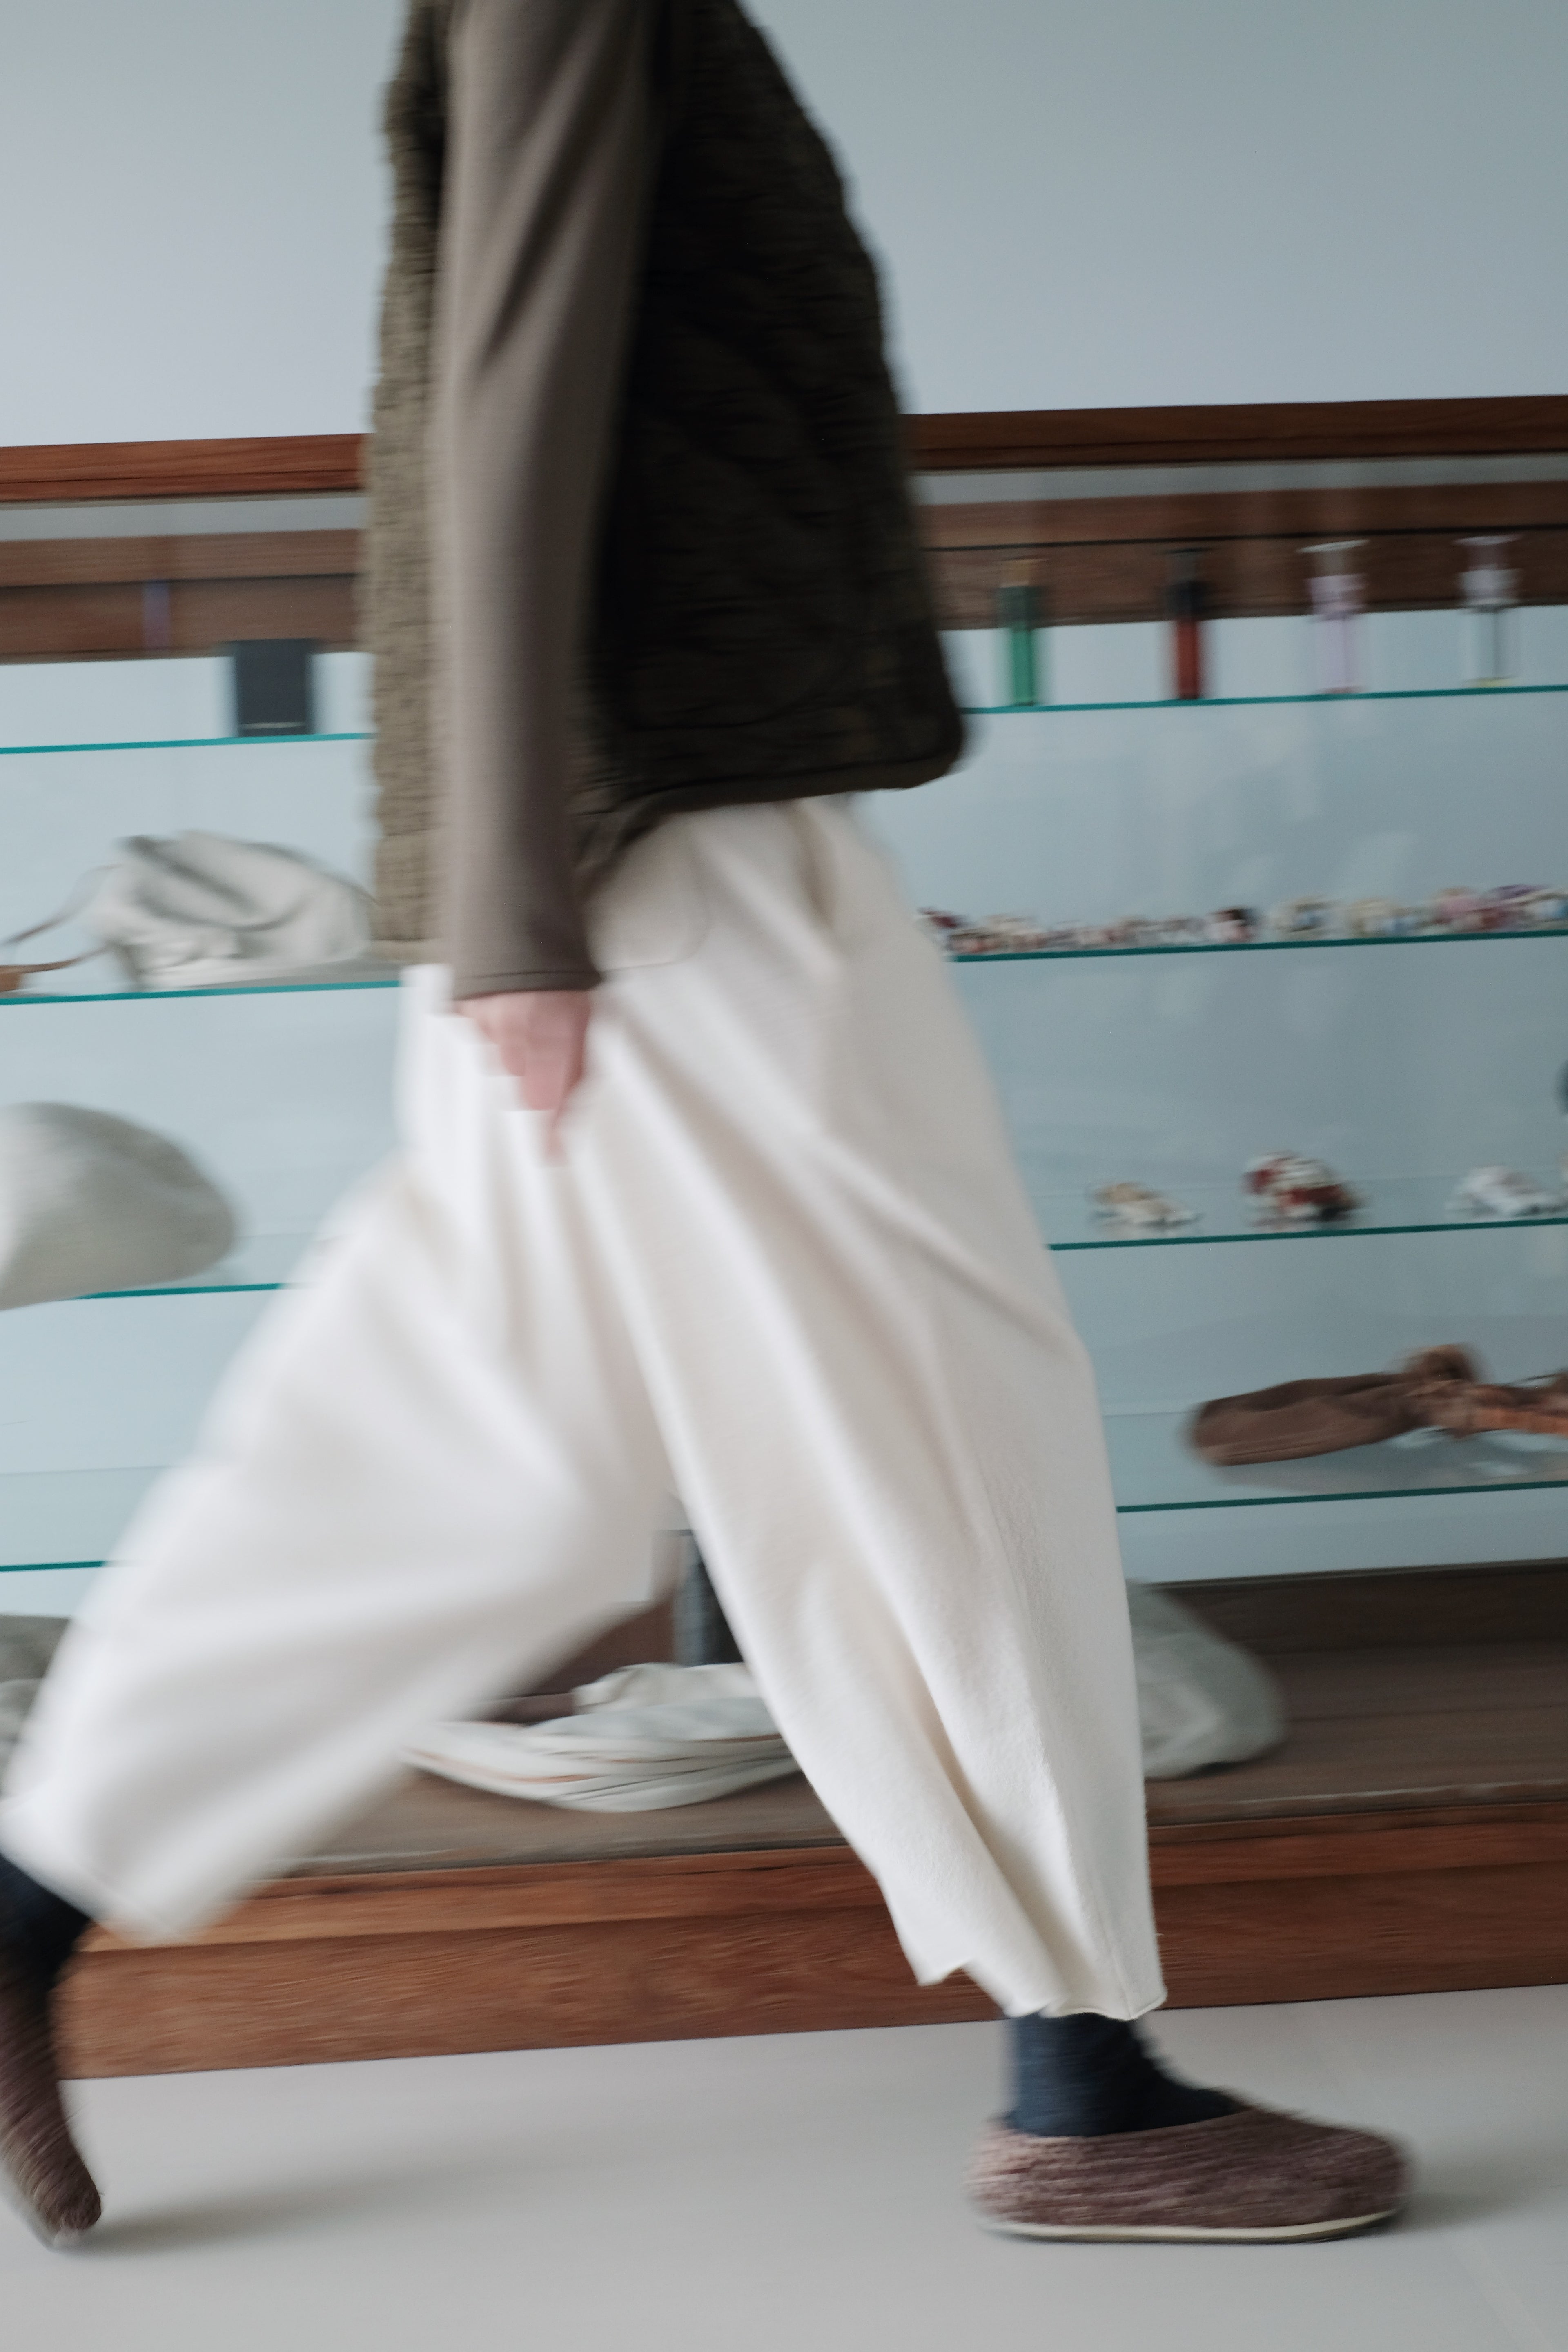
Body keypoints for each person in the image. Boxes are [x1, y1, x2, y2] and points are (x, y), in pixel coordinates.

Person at [0, 0, 1403, 2249]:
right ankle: (1084, 2089)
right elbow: (510, 398)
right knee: (944, 1429)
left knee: (486, 1467)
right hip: (673, 858)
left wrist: (504, 898)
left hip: (604, 851)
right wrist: (524, 910)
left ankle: (16, 1903)